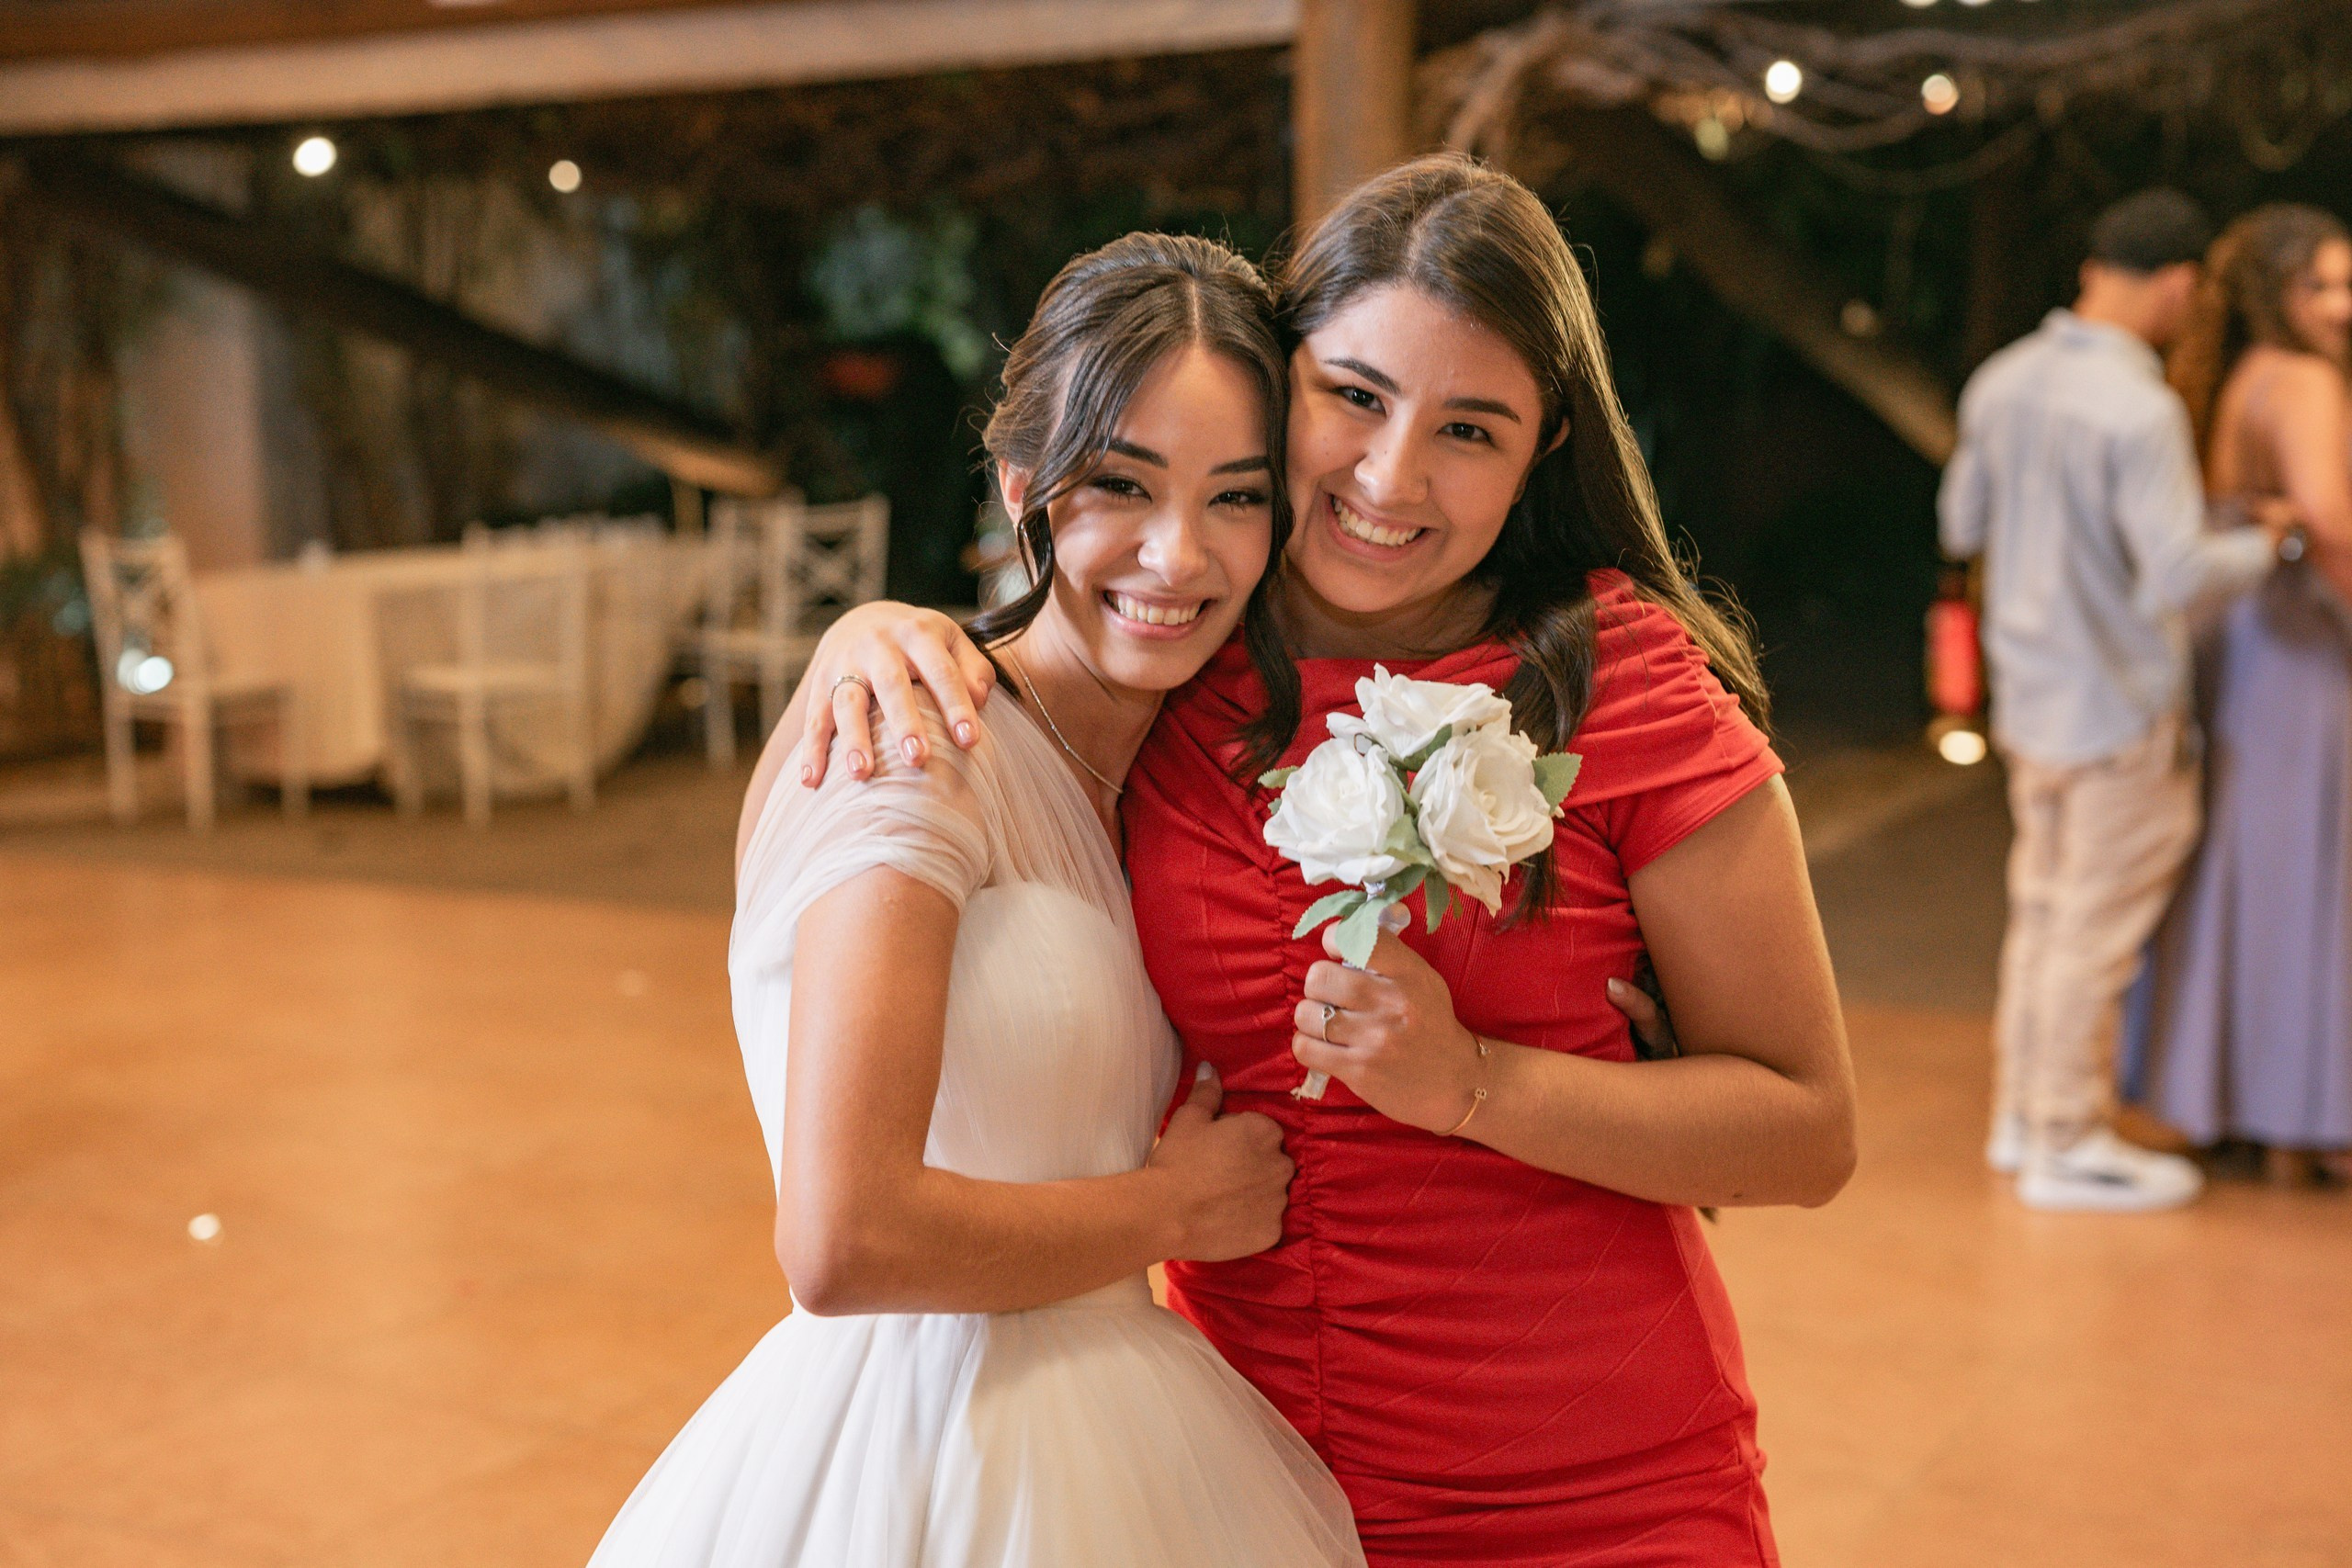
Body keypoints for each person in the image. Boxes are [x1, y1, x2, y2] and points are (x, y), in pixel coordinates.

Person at [791, 152, 1855, 1566]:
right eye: (1353, 396)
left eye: (1469, 428)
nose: (1389, 474)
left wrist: (1478, 1083)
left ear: (1542, 450)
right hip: (1235, 1477)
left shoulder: (1620, 682)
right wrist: (871, 623)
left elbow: (1807, 1127)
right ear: (1279, 388)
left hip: (1590, 1480)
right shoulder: (1186, 663)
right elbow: (1045, 651)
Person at [586, 232, 1366, 1567]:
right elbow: (842, 1237)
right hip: (928, 1450)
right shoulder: (911, 734)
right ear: (1024, 486)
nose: (1178, 555)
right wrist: (1173, 1213)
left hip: (1135, 1440)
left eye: (1235, 497)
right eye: (1123, 483)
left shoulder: (1178, 766)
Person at [1939, 189, 2298, 1213]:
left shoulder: (2002, 379)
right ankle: (2068, 1139)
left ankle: (2024, 1116)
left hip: (2031, 699)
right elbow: (2178, 572)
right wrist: (2277, 541)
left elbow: (1960, 519)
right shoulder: (2138, 408)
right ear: (2179, 284)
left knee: (2044, 913)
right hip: (2118, 708)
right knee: (2094, 929)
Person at [2126, 204, 2352, 1187]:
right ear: (2275, 294)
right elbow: (2330, 523)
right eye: (2322, 286)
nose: (2343, 306)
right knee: (2303, 872)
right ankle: (2303, 1114)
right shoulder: (2300, 379)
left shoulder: (2237, 376)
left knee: (2248, 867)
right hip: (2299, 641)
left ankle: (2231, 1096)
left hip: (2245, 642)